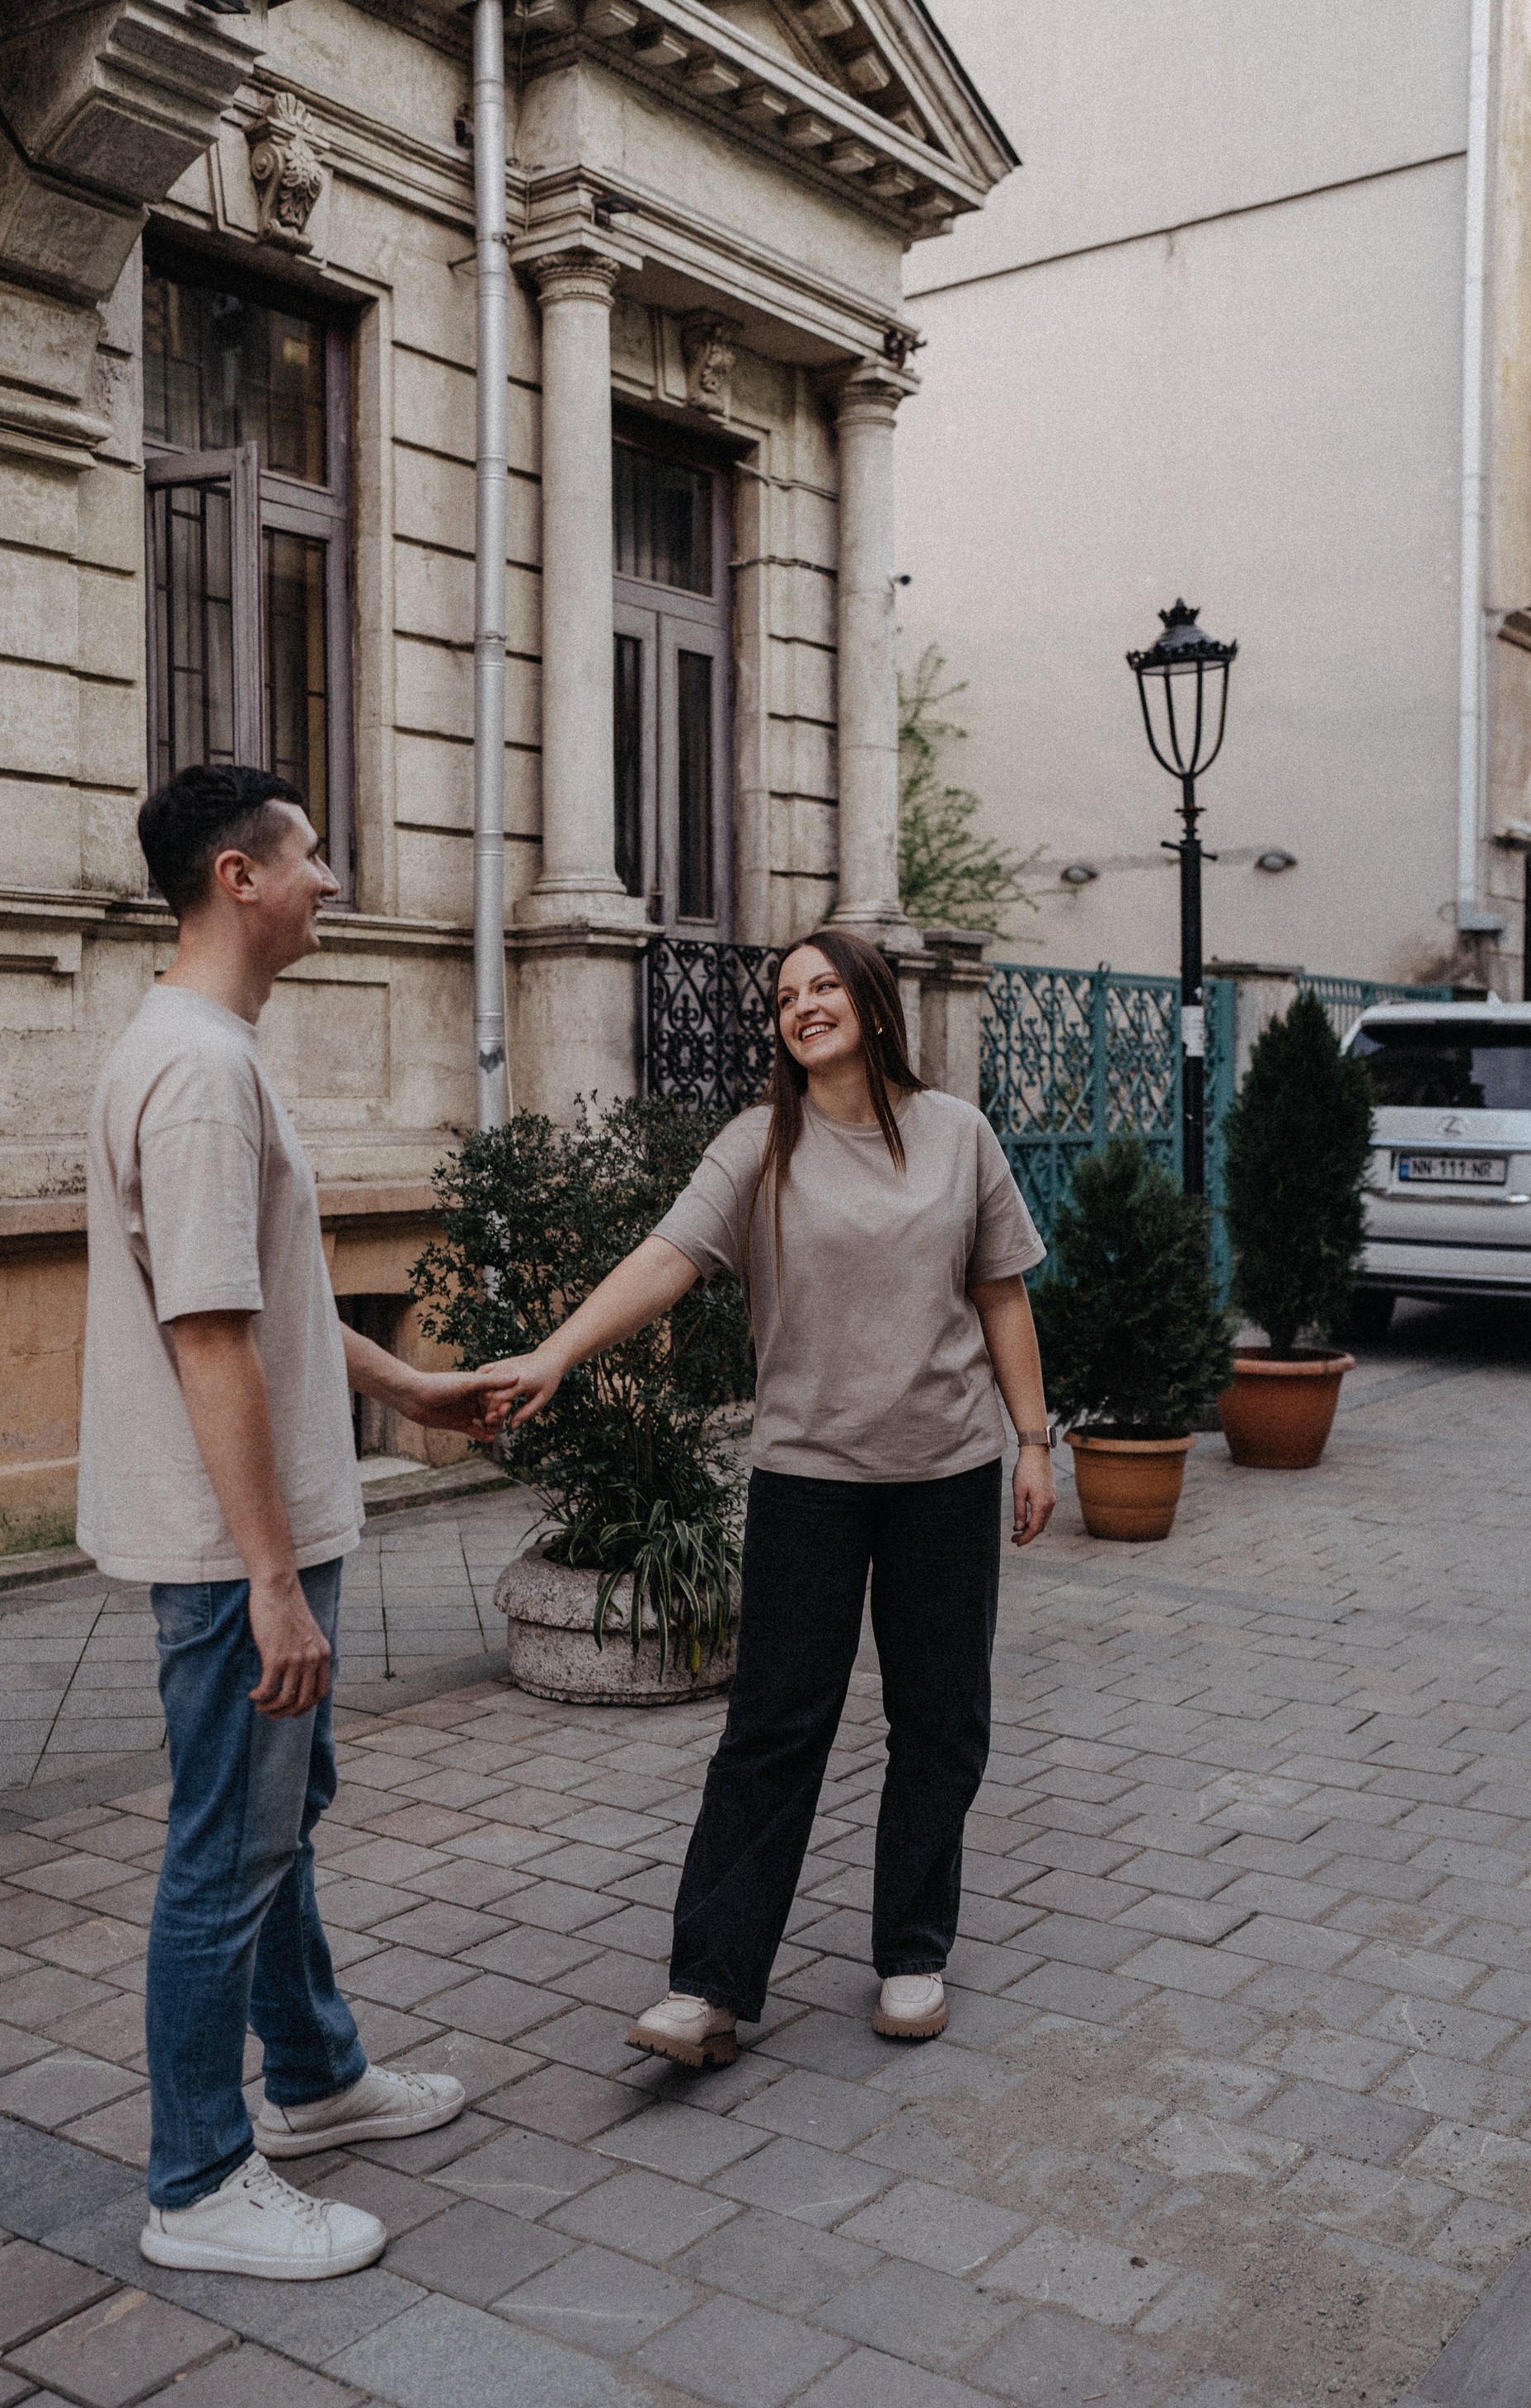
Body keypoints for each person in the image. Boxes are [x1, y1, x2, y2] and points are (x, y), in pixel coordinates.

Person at [482, 928, 1056, 2067]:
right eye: (786, 995)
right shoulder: (760, 1146)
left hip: (948, 1472)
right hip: (808, 1481)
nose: (802, 1006)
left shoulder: (959, 1136)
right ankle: (709, 1986)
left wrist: (1034, 1441)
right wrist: (555, 1352)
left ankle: (911, 1952)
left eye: (824, 985)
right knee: (772, 1730)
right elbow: (665, 1259)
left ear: (873, 1001)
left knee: (941, 1723)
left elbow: (1002, 1299)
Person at [78, 764, 505, 2279]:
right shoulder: (197, 1071)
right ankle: (198, 2182)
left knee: (274, 1827)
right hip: (227, 1551)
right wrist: (272, 1579)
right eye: (310, 856)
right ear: (238, 879)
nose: (331, 879)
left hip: (255, 1535)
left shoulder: (208, 1051)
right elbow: (208, 1335)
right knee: (227, 1854)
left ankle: (315, 2078)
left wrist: (411, 1391)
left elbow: (273, 1305)